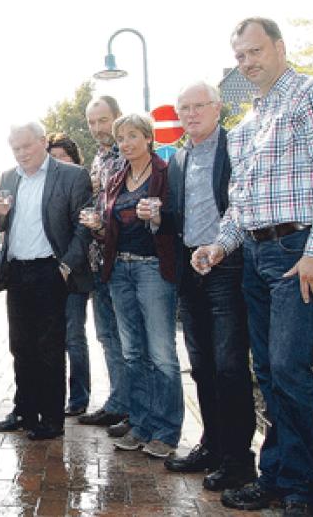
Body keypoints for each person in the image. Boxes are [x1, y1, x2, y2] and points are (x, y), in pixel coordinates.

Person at [193, 17, 313, 517]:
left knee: (289, 369)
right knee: (266, 370)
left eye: (255, 51)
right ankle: (276, 476)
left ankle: (304, 491)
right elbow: (240, 206)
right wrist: (220, 247)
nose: (247, 62)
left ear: (280, 48)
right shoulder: (247, 124)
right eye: (240, 56)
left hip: (298, 252)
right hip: (256, 257)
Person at [158, 82, 257, 490]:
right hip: (190, 270)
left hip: (227, 265)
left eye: (200, 106)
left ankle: (238, 459)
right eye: (185, 108)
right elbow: (176, 216)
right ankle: (212, 445)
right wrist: (157, 214)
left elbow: (244, 203)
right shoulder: (178, 158)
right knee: (201, 367)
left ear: (218, 108)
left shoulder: (236, 147)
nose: (192, 114)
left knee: (231, 366)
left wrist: (220, 248)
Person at [79, 113, 182, 459]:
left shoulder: (166, 174)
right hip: (119, 269)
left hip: (153, 269)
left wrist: (158, 217)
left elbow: (178, 218)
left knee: (161, 354)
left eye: (133, 136)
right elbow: (110, 227)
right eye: (121, 138)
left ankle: (166, 431)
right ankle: (140, 424)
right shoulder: (117, 178)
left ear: (148, 138)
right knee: (132, 352)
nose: (126, 143)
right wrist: (97, 224)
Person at [0, 123, 92, 440]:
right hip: (17, 270)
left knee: (49, 347)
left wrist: (66, 266)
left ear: (43, 143)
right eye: (15, 148)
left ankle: (52, 418)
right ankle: (24, 411)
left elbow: (83, 226)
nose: (21, 153)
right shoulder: (8, 176)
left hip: (51, 270)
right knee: (20, 346)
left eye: (26, 147)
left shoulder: (71, 175)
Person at [77, 96, 129, 435]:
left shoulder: (129, 155)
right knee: (108, 337)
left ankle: (134, 410)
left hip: (124, 260)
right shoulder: (97, 159)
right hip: (98, 262)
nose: (98, 128)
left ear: (118, 118)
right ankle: (118, 402)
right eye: (93, 122)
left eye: (103, 120)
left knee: (129, 340)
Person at [46, 134, 94, 417]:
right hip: (47, 274)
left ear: (75, 160)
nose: (58, 163)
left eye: (64, 157)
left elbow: (82, 230)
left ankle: (79, 398)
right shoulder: (46, 187)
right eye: (53, 157)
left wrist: (67, 265)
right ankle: (54, 395)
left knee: (74, 336)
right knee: (52, 338)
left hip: (73, 275)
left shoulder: (79, 183)